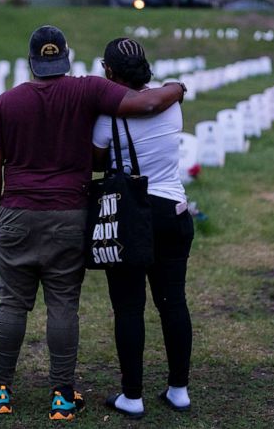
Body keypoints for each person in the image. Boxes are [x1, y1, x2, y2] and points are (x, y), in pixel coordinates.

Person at [0, 26, 187, 421]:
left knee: (12, 304)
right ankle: (62, 395)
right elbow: (145, 104)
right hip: (71, 216)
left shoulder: (5, 102)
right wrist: (178, 87)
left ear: (32, 62)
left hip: (17, 213)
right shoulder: (89, 90)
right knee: (63, 305)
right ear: (66, 59)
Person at [92, 38, 195, 419]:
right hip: (172, 209)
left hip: (131, 215)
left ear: (110, 71)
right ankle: (179, 389)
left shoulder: (108, 116)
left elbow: (96, 160)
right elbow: (168, 94)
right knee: (173, 302)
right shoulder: (171, 104)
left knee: (129, 308)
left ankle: (132, 396)